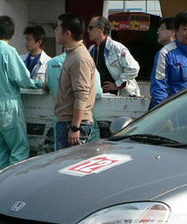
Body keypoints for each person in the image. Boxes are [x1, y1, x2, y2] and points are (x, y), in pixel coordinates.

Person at [0, 15, 43, 173]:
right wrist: (40, 84)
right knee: (19, 148)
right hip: (8, 106)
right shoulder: (9, 52)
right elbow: (22, 79)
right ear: (12, 33)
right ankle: (14, 186)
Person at [55, 12, 97, 150]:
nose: (56, 32)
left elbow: (82, 94)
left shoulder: (80, 58)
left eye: (58, 28)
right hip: (67, 121)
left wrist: (75, 127)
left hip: (74, 124)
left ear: (68, 33)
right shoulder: (72, 54)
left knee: (68, 169)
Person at [46, 49, 103, 149]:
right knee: (83, 157)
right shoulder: (84, 59)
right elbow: (97, 92)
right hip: (81, 117)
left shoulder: (51, 63)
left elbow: (48, 85)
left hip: (60, 116)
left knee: (61, 157)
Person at [87, 16, 140, 97]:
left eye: (90, 28)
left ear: (101, 29)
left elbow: (134, 68)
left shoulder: (117, 48)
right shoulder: (91, 49)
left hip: (120, 96)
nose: (88, 31)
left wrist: (118, 84)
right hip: (99, 96)